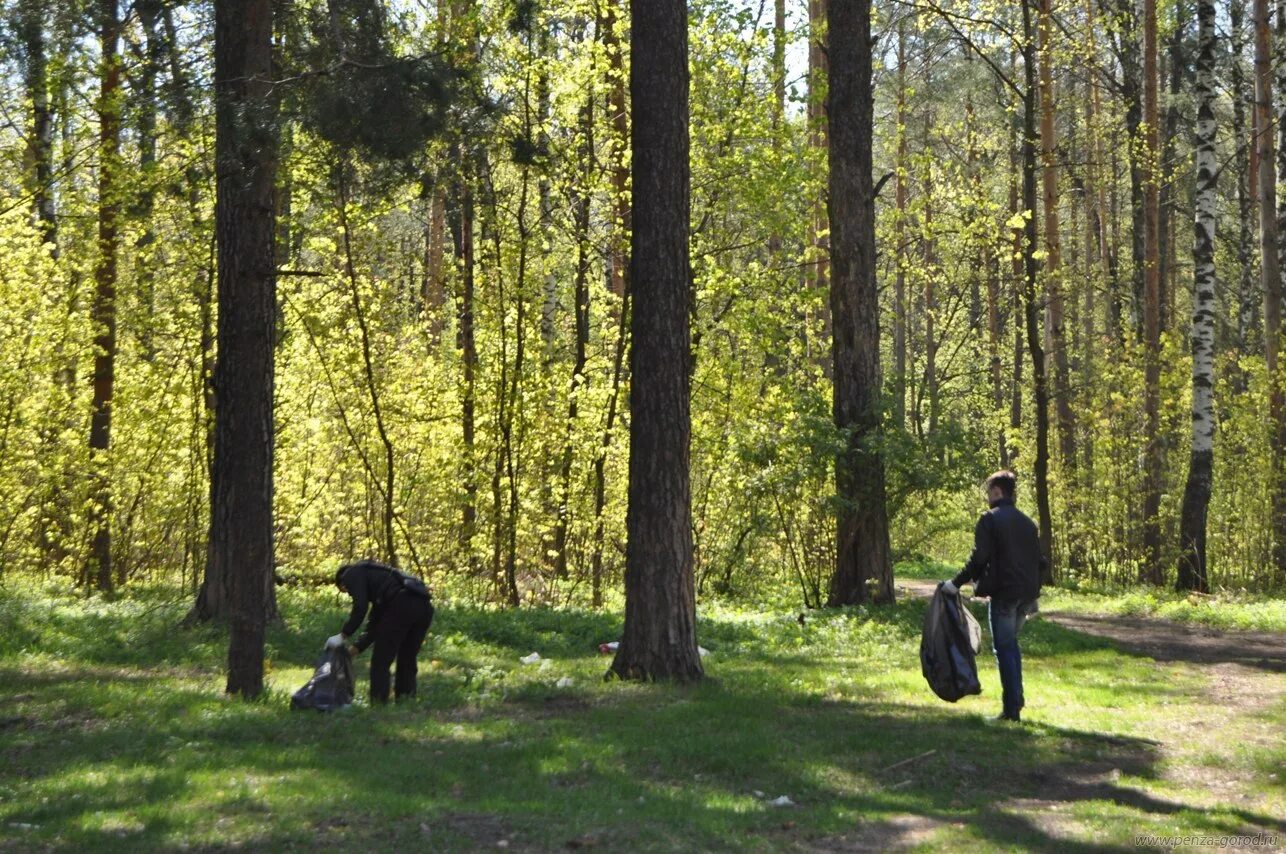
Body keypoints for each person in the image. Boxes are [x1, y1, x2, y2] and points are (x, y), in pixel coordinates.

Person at [942, 471, 1045, 722]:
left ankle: (1011, 710)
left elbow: (979, 557)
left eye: (989, 492)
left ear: (997, 491)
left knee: (1005, 647)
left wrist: (955, 584)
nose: (988, 497)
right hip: (1026, 595)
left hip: (1006, 594)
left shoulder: (990, 519)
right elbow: (1040, 561)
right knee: (1011, 646)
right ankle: (1016, 700)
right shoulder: (1028, 523)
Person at [327, 559, 434, 704]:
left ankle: (379, 702)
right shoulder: (384, 583)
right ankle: (406, 700)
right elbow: (374, 626)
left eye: (347, 591)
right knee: (407, 658)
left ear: (343, 582)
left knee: (381, 660)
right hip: (424, 606)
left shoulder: (351, 574)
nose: (350, 594)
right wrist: (355, 649)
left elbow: (360, 607)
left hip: (402, 605)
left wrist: (343, 635)